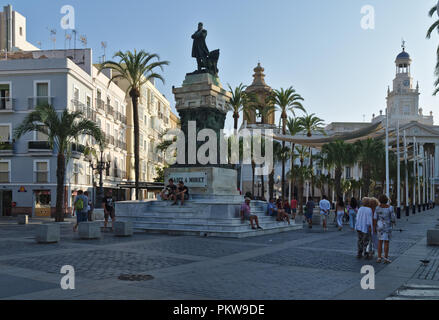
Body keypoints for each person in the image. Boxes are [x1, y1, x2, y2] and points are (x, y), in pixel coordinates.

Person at [374, 194, 396, 264]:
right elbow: (393, 218)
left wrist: (374, 226)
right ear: (386, 200)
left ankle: (379, 257)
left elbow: (375, 218)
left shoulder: (377, 208)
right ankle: (386, 257)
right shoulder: (390, 208)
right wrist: (393, 222)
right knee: (386, 242)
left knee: (380, 242)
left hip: (380, 226)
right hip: (387, 226)